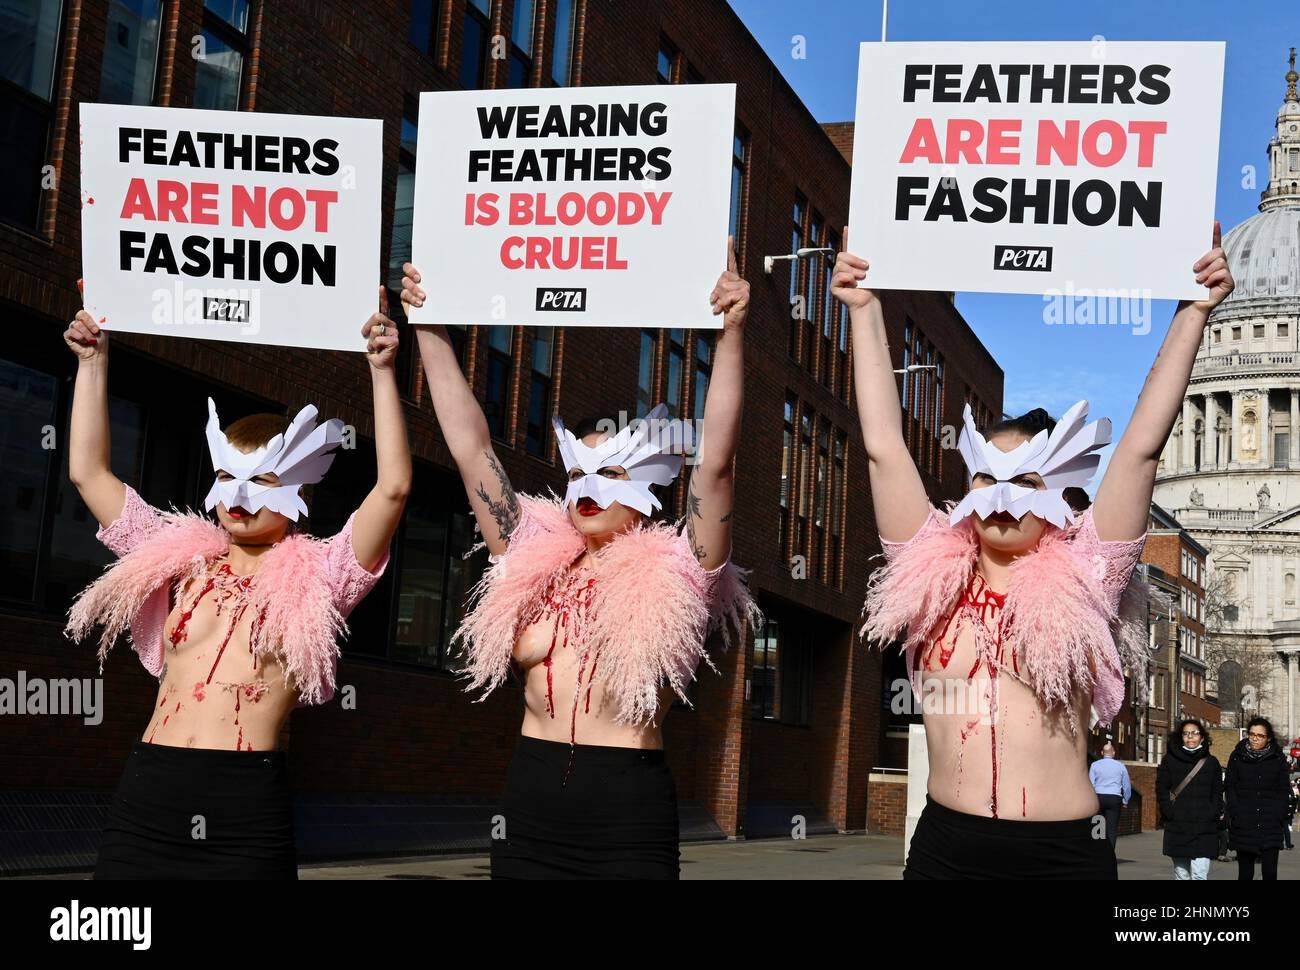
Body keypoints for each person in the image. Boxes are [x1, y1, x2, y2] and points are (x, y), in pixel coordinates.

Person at [843, 221, 1234, 879]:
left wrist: (1191, 312)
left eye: (1026, 481)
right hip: (946, 848)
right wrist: (862, 307)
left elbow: (1139, 447)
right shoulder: (927, 571)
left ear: (1060, 492)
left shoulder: (1088, 574)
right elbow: (883, 447)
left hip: (1062, 854)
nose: (1002, 499)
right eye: (985, 479)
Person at [400, 242, 760, 880]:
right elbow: (471, 449)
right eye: (578, 472)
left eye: (613, 471)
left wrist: (729, 334)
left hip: (625, 810)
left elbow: (716, 464)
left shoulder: (681, 571)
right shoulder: (535, 558)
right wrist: (428, 325)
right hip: (530, 802)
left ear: (648, 486)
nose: (589, 489)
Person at [63, 286, 411, 879]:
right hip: (150, 790)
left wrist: (382, 372)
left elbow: (394, 489)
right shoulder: (175, 559)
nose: (240, 497)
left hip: (245, 806)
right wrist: (92, 362)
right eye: (227, 475)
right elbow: (87, 472)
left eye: (263, 480)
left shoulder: (321, 574)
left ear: (299, 490)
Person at [1156, 719, 1224, 880]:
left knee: (1200, 874)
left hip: (1204, 827)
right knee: (1181, 874)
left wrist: (1213, 813)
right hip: (1178, 825)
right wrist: (1169, 812)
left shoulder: (1211, 763)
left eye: (1194, 733)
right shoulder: (1169, 760)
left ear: (1202, 737)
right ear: (1181, 737)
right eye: (1186, 733)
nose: (1190, 737)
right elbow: (1161, 788)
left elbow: (1217, 792)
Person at [1225, 716, 1291, 880]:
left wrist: (1279, 814)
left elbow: (1284, 789)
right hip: (1244, 823)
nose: (1255, 738)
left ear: (1268, 738)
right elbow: (1230, 785)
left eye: (1260, 735)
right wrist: (1235, 810)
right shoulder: (1237, 756)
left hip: (1270, 824)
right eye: (1252, 734)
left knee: (1269, 873)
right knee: (1245, 874)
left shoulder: (1278, 758)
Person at [1089, 740, 1131, 849]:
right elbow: (1126, 786)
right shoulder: (1121, 766)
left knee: (1098, 828)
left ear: (1102, 753)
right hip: (1114, 798)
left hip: (1098, 797)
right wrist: (1125, 800)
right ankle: (1110, 856)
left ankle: (1096, 854)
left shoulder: (1095, 765)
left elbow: (1090, 784)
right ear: (1113, 753)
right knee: (1111, 829)